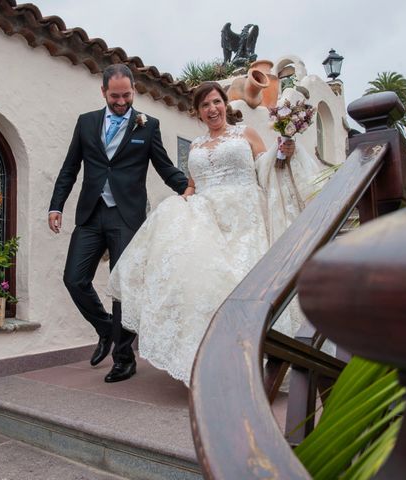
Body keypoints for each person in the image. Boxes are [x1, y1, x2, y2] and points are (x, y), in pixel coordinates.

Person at [108, 81, 325, 386]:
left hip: (244, 217)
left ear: (226, 104)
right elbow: (194, 184)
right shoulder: (196, 145)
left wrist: (282, 151)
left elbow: (264, 164)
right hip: (207, 217)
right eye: (205, 106)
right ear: (198, 112)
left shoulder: (245, 133)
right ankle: (212, 359)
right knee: (204, 282)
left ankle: (253, 357)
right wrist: (184, 198)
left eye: (216, 102)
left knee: (243, 282)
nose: (212, 109)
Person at [48, 64, 192, 383]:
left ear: (133, 91)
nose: (121, 101)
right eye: (115, 96)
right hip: (91, 213)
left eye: (127, 95)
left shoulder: (147, 125)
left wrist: (188, 189)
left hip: (126, 216)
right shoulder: (86, 123)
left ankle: (124, 359)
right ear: (103, 92)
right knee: (74, 278)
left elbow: (165, 167)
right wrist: (56, 205)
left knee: (123, 289)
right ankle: (104, 328)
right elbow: (70, 168)